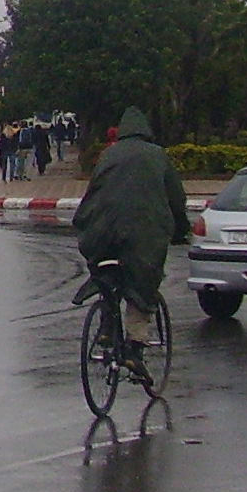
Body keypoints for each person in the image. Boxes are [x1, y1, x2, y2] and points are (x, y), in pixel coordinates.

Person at [72, 107, 190, 367]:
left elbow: (93, 193)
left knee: (105, 274)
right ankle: (136, 350)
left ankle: (106, 324)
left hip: (101, 232)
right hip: (142, 234)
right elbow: (177, 200)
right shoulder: (158, 156)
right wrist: (181, 231)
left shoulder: (108, 154)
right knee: (142, 285)